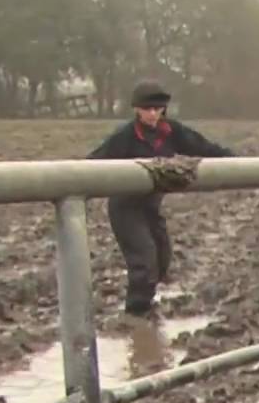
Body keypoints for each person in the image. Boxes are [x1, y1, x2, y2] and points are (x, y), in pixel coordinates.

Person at [86, 80, 235, 316]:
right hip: (126, 208)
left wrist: (233, 161)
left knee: (163, 258)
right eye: (148, 109)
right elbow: (94, 162)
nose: (153, 114)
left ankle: (147, 306)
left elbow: (203, 147)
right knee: (144, 261)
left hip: (151, 206)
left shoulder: (171, 130)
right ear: (137, 109)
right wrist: (79, 191)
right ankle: (135, 315)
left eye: (158, 109)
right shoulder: (125, 136)